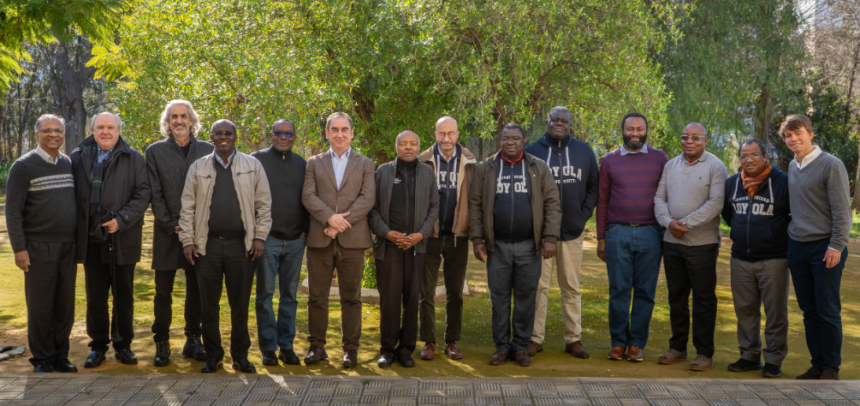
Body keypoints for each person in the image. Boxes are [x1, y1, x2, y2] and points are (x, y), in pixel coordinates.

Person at [179, 119, 272, 374]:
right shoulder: (198, 167)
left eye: (228, 133)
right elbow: (187, 207)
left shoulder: (253, 166)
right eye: (218, 133)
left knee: (239, 305)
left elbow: (264, 205)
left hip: (241, 247)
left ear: (235, 136)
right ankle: (214, 356)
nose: (223, 137)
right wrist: (187, 240)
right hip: (206, 247)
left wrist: (259, 237)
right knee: (209, 306)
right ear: (211, 137)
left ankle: (240, 356)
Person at [469, 123, 561, 367]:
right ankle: (501, 347)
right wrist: (478, 239)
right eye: (506, 138)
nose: (510, 142)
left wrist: (550, 238)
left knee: (526, 298)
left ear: (524, 140)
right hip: (496, 247)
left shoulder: (538, 167)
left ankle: (520, 347)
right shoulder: (486, 168)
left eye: (516, 138)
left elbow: (552, 203)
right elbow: (475, 206)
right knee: (498, 299)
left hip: (529, 247)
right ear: (500, 140)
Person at [71, 112, 151, 368]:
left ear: (119, 130)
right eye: (100, 127)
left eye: (111, 127)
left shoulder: (134, 157)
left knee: (124, 295)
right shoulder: (78, 156)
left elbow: (143, 193)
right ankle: (97, 346)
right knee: (95, 296)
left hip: (122, 237)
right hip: (90, 238)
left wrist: (122, 219)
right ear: (92, 129)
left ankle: (123, 344)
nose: (106, 132)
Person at [301, 112, 376, 368]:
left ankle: (351, 350)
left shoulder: (365, 163)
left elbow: (367, 198)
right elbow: (308, 196)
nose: (340, 134)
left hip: (352, 240)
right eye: (334, 129)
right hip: (320, 238)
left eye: (345, 129)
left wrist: (341, 223)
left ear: (352, 133)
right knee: (316, 297)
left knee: (352, 298)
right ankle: (317, 347)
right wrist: (329, 219)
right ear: (327, 133)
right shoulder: (313, 162)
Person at [523, 106, 599, 359]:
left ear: (569, 124)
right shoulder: (532, 151)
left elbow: (593, 187)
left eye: (564, 121)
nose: (559, 123)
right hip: (540, 235)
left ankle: (573, 339)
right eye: (554, 119)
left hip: (572, 233)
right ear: (546, 121)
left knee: (571, 287)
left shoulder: (584, 151)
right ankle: (535, 338)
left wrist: (582, 215)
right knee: (539, 287)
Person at [780, 115, 851, 380]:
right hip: (798, 247)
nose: (793, 139)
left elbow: (842, 212)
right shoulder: (793, 165)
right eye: (787, 135)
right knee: (809, 310)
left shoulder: (831, 165)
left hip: (826, 247)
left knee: (828, 309)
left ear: (811, 133)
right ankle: (817, 364)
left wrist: (836, 246)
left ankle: (831, 368)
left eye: (797, 133)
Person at [6, 114, 77, 373]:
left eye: (58, 130)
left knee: (64, 305)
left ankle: (61, 356)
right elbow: (12, 211)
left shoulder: (68, 163)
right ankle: (43, 359)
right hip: (37, 246)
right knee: (40, 305)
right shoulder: (23, 166)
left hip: (68, 245)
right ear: (37, 135)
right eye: (47, 131)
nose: (53, 135)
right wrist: (19, 248)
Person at [145, 100, 214, 367]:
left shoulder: (207, 150)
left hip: (199, 233)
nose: (179, 121)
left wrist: (194, 226)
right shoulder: (154, 152)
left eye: (183, 116)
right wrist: (171, 223)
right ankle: (161, 342)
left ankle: (192, 340)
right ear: (167, 121)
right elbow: (154, 193)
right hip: (167, 232)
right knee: (163, 292)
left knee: (196, 290)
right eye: (173, 116)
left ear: (192, 120)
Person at [654, 122, 727, 371]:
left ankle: (704, 352)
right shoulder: (670, 165)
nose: (690, 141)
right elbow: (659, 198)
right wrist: (668, 222)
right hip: (671, 243)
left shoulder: (716, 166)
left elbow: (716, 202)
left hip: (702, 244)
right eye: (685, 136)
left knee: (704, 299)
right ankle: (678, 347)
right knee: (677, 297)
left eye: (696, 137)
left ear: (705, 140)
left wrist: (684, 223)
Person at [596, 113, 668, 362]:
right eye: (630, 129)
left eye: (640, 129)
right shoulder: (609, 160)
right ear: (622, 130)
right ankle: (618, 342)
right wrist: (601, 238)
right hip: (618, 232)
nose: (635, 133)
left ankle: (636, 343)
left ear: (647, 130)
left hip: (651, 232)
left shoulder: (660, 159)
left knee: (646, 291)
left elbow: (665, 196)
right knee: (619, 290)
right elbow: (602, 200)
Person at [721, 139, 790, 378]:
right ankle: (749, 356)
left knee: (775, 312)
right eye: (744, 155)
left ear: (765, 156)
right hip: (740, 259)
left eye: (754, 155)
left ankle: (773, 360)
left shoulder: (783, 183)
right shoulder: (731, 184)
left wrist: (773, 234)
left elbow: (794, 215)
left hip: (774, 259)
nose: (748, 160)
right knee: (745, 311)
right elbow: (728, 215)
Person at [369, 131, 439, 368]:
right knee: (389, 299)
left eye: (413, 144)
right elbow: (373, 210)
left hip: (416, 248)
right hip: (388, 247)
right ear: (396, 146)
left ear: (419, 147)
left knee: (412, 299)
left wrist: (420, 235)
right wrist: (388, 233)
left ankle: (406, 349)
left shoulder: (428, 174)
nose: (408, 147)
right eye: (403, 143)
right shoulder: (384, 172)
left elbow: (433, 208)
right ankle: (387, 349)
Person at [417, 116, 476, 361]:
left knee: (455, 292)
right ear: (435, 134)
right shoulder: (422, 161)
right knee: (426, 292)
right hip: (428, 235)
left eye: (450, 133)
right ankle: (429, 341)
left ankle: (451, 341)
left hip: (457, 237)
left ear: (458, 134)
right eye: (442, 134)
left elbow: (476, 200)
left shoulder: (471, 162)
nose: (446, 139)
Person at [250, 119, 309, 366]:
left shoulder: (302, 164)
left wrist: (305, 231)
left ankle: (286, 346)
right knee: (265, 294)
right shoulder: (256, 160)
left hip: (296, 240)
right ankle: (267, 348)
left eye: (289, 133)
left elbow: (309, 197)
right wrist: (256, 235)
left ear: (295, 137)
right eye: (278, 133)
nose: (284, 137)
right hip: (267, 240)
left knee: (290, 296)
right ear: (271, 135)